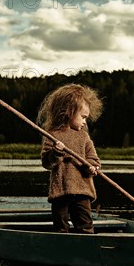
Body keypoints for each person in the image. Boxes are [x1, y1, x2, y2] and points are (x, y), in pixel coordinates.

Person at [39, 84, 103, 234]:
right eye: (83, 117)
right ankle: (61, 250)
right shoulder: (53, 135)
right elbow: (47, 163)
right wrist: (56, 152)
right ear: (69, 111)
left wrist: (91, 168)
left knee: (85, 225)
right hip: (61, 191)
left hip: (82, 190)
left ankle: (87, 248)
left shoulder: (84, 137)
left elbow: (94, 160)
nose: (85, 121)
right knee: (60, 226)